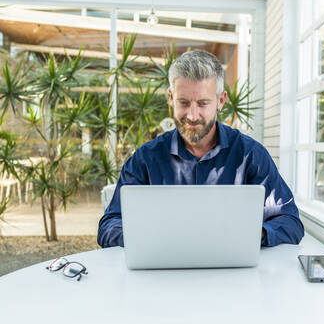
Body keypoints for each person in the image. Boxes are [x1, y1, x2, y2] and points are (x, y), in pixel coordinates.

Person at [97, 49, 304, 248]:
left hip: (233, 275)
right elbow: (109, 225)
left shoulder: (250, 155)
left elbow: (290, 222)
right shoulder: (145, 158)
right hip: (162, 273)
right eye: (183, 102)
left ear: (220, 101)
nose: (193, 115)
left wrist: (250, 235)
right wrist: (151, 237)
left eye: (203, 103)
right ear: (171, 98)